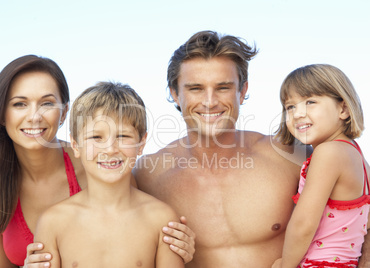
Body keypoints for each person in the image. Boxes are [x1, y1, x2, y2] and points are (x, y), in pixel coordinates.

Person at [133, 30, 370, 267]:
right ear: (175, 94)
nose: (209, 101)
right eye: (195, 88)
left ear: (242, 91)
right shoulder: (146, 175)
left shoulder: (293, 156)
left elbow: (363, 210)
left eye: (223, 87)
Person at [0, 55, 195, 268]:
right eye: (19, 104)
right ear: (1, 113)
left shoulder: (101, 170)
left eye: (46, 103)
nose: (34, 116)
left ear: (64, 112)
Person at [34, 82, 184, 267]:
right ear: (75, 145)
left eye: (122, 136)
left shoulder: (161, 219)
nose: (111, 149)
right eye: (96, 137)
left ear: (141, 143)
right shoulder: (53, 222)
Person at [271, 64, 370, 268]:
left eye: (310, 102)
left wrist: (286, 265)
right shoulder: (358, 156)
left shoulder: (328, 153)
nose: (298, 113)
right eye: (290, 106)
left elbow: (304, 224)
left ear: (343, 109)